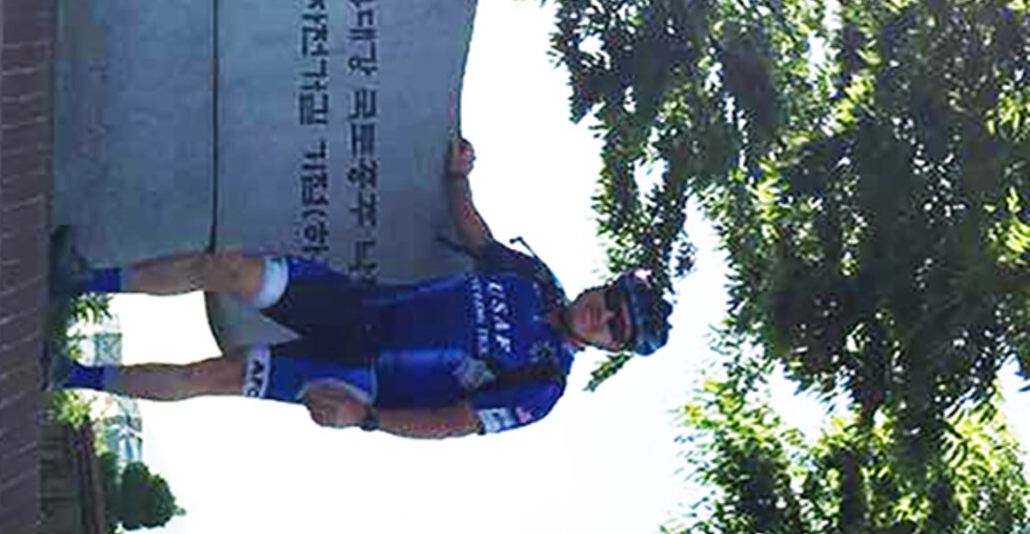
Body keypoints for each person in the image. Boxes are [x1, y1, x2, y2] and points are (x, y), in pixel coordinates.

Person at [48, 137, 671, 438]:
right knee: (227, 267)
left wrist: (368, 419)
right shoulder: (535, 280)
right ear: (601, 284)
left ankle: (71, 375)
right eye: (611, 301)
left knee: (209, 375)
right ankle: (82, 280)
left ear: (613, 349)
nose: (603, 316)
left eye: (616, 327)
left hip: (356, 375)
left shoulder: (544, 386)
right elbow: (477, 237)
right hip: (352, 303)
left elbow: (453, 422)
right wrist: (460, 177)